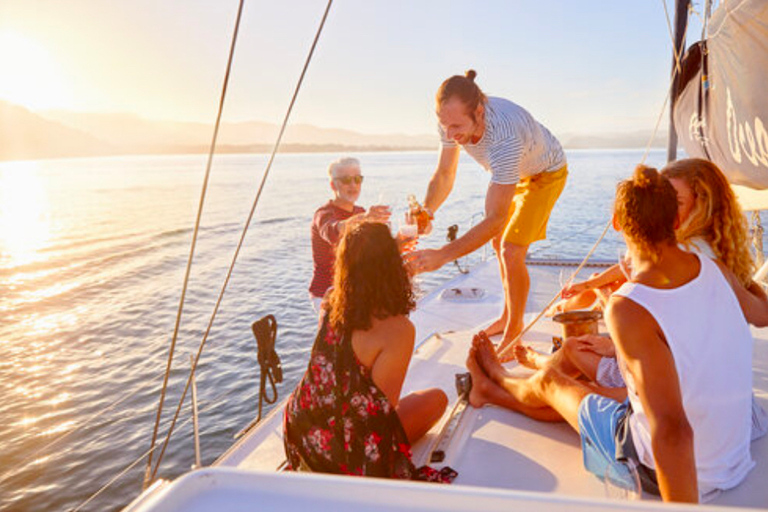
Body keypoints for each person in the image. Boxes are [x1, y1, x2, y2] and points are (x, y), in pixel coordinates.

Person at [466, 165, 768, 502]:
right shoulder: (716, 269)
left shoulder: (628, 306)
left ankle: (496, 378)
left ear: (617, 223)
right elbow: (761, 312)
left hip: (676, 473)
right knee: (592, 397)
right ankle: (491, 391)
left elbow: (671, 429)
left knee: (553, 383)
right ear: (677, 221)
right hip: (735, 460)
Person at [408, 70, 567, 356]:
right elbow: (445, 173)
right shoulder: (449, 121)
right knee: (497, 244)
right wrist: (428, 212)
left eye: (456, 126)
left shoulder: (504, 137)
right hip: (516, 173)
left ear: (479, 112)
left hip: (546, 172)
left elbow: (495, 219)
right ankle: (507, 316)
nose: (450, 134)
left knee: (510, 250)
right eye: (445, 125)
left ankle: (515, 330)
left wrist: (443, 255)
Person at [285, 221, 455, 481]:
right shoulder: (398, 330)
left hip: (302, 426)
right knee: (437, 400)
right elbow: (384, 409)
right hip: (344, 449)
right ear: (392, 266)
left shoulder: (331, 300)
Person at [309, 157, 390, 313]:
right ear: (333, 185)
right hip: (328, 293)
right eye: (346, 180)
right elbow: (333, 232)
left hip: (355, 291)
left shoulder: (360, 211)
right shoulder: (324, 214)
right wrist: (365, 219)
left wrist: (404, 238)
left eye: (357, 179)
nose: (353, 185)